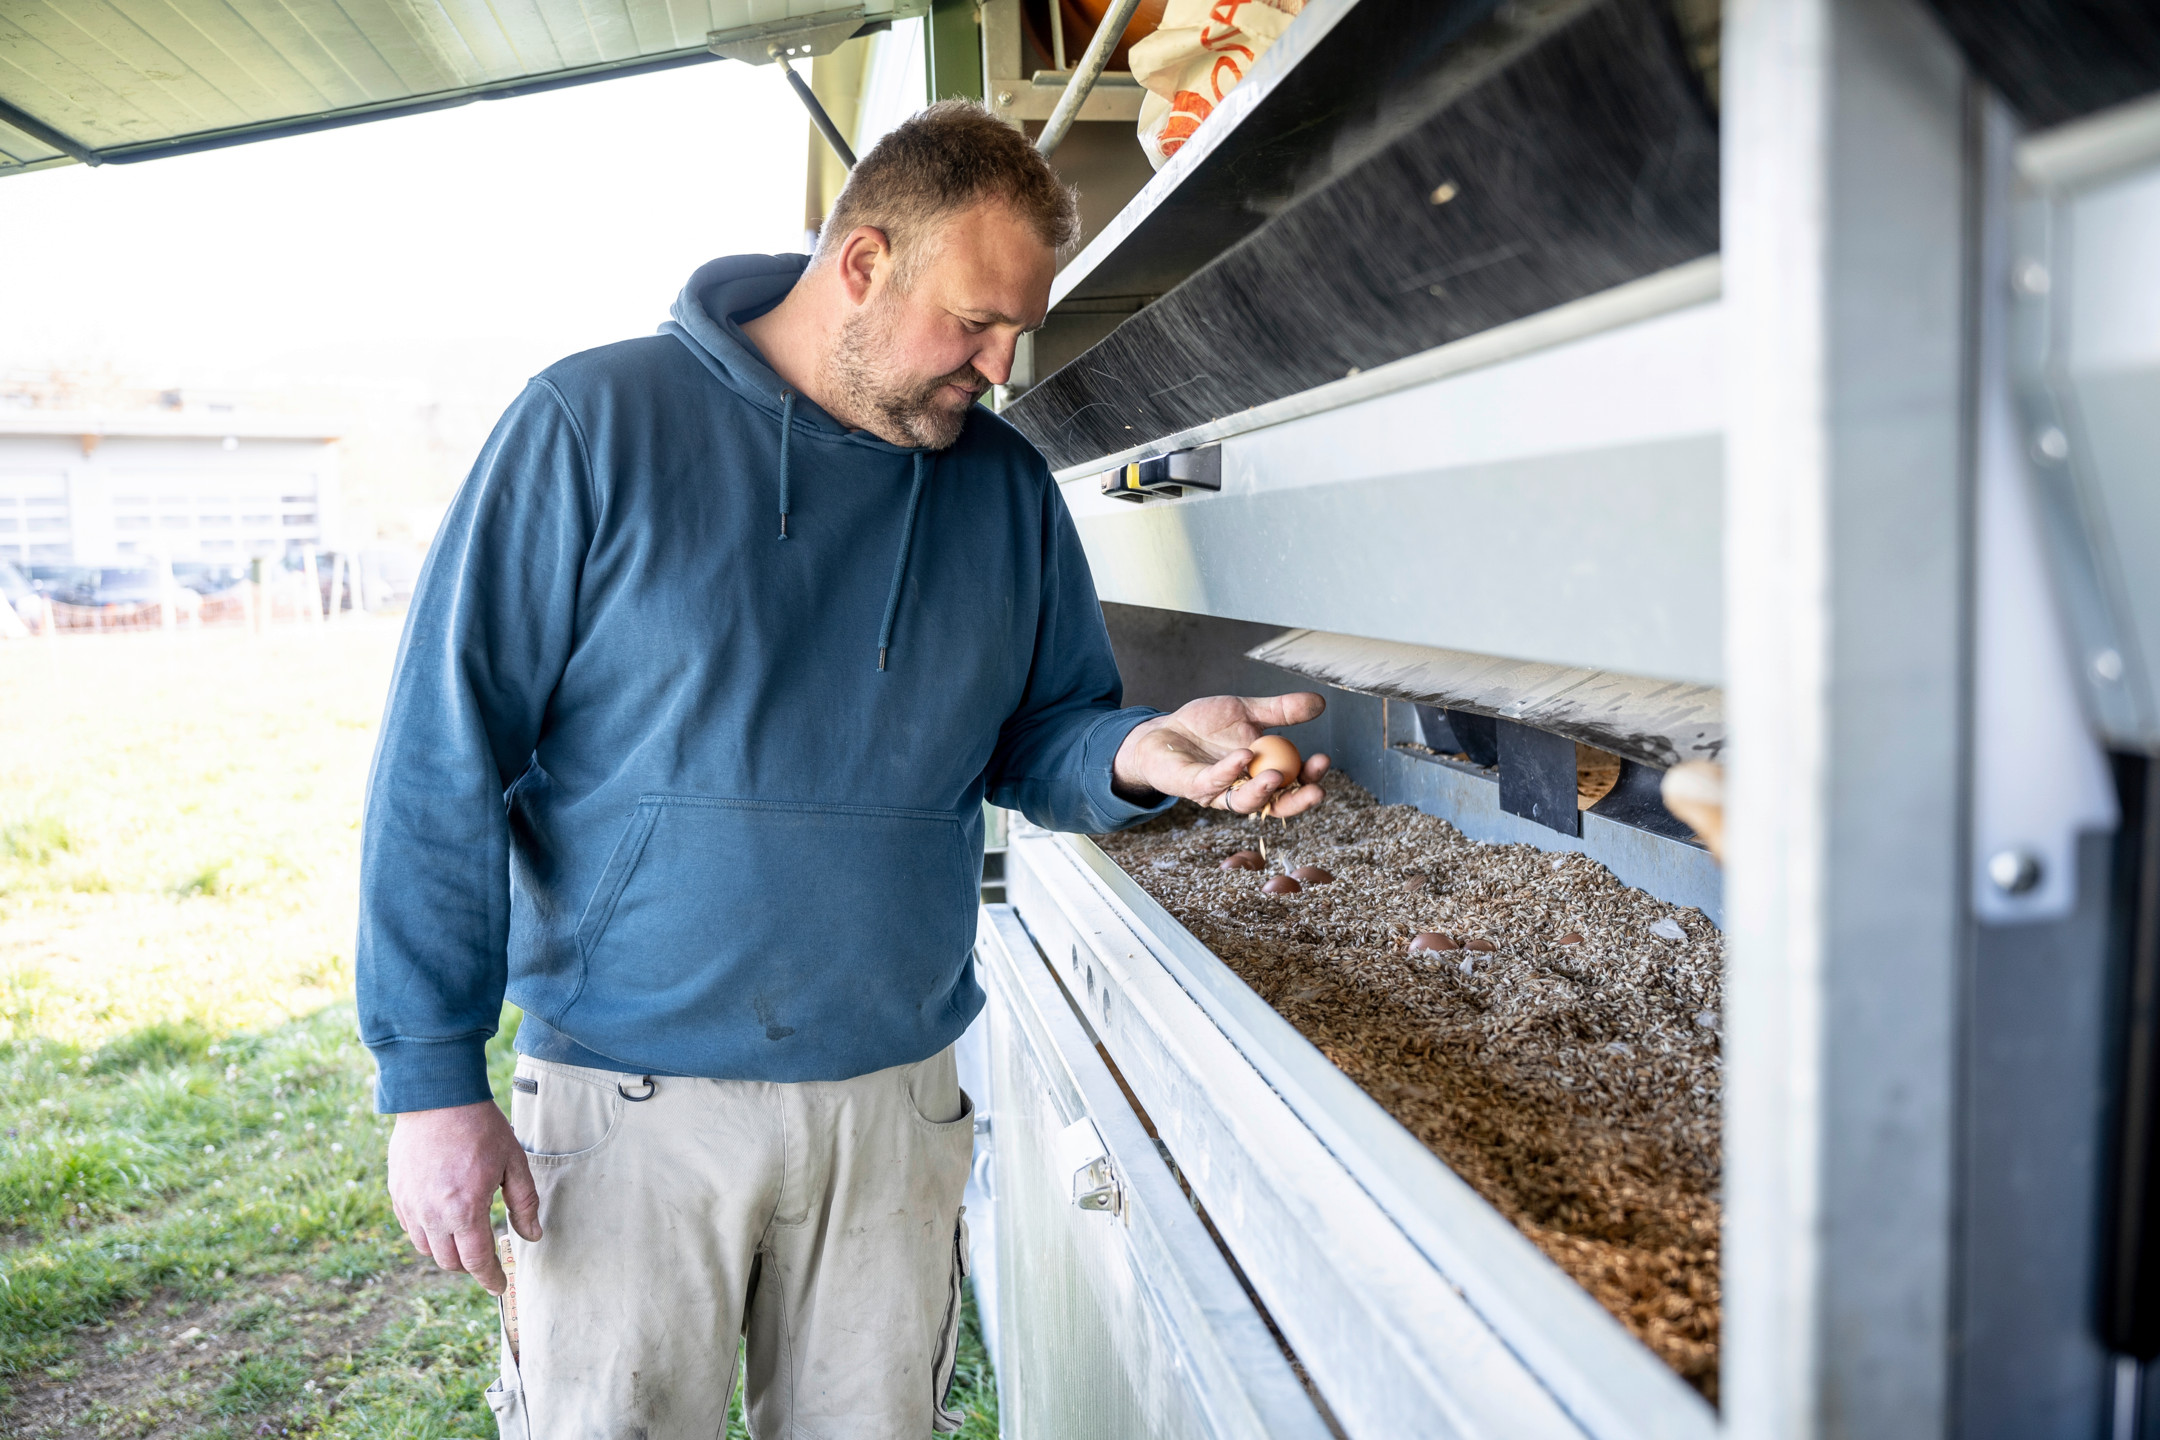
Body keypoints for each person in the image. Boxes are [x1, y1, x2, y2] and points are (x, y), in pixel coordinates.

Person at [358, 100, 1330, 1439]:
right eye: (973, 323)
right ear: (862, 263)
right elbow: (439, 757)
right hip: (634, 1104)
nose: (997, 365)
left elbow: (1042, 735)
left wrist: (1139, 754)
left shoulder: (1003, 491)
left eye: (1017, 330)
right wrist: (430, 1079)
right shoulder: (592, 425)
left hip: (892, 1098)